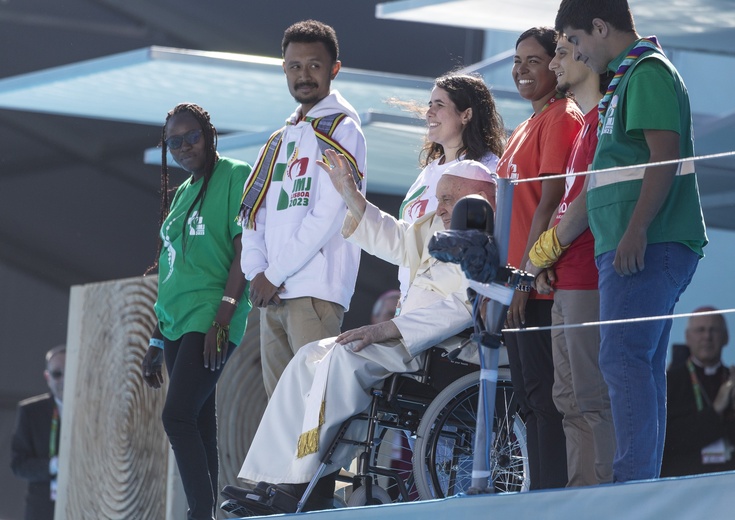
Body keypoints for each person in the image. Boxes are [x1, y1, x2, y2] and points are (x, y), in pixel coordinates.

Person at [229, 158, 497, 515]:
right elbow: (399, 240)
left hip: (436, 348)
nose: (441, 207)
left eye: (449, 199)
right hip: (402, 341)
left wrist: (385, 328)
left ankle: (300, 486)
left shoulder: (494, 233)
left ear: (478, 196)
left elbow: (464, 307)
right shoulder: (440, 224)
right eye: (440, 198)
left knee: (340, 360)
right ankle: (271, 479)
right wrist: (351, 195)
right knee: (308, 357)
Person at [555, 0, 707, 482]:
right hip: (634, 243)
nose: (576, 53)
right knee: (635, 360)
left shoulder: (647, 72)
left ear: (600, 27)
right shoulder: (628, 77)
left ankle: (631, 485)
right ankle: (640, 481)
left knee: (621, 357)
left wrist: (636, 228)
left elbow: (665, 154)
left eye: (575, 41)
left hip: (647, 242)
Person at [238, 20, 367, 398]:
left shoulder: (342, 129)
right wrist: (256, 273)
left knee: (317, 412)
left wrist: (272, 274)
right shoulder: (281, 136)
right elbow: (252, 213)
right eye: (295, 66)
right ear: (284, 69)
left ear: (334, 69)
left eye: (314, 65)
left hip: (314, 290)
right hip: (273, 292)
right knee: (282, 415)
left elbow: (329, 215)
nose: (304, 75)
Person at [140, 103, 252, 520]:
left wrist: (223, 316)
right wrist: (155, 335)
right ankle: (205, 515)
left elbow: (245, 250)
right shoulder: (183, 193)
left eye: (192, 137)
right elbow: (173, 270)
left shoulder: (236, 175)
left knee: (177, 416)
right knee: (199, 423)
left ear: (209, 135)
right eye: (174, 141)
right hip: (174, 321)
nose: (185, 147)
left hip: (211, 316)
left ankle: (199, 515)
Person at [525, 35, 615, 486]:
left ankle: (605, 501)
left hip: (587, 275)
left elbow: (583, 203)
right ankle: (580, 497)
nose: (555, 63)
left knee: (592, 397)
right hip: (564, 276)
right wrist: (545, 261)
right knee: (567, 398)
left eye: (561, 52)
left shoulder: (603, 121)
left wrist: (542, 251)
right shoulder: (582, 126)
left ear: (586, 53)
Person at [495, 26, 584, 490]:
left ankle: (549, 497)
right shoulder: (528, 122)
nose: (521, 69)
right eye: (516, 60)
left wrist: (526, 277)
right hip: (514, 280)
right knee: (528, 400)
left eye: (533, 60)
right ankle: (539, 490)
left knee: (545, 397)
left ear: (555, 64)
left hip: (536, 283)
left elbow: (550, 200)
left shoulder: (560, 117)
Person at [397, 72, 505, 297]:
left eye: (439, 104)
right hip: (411, 297)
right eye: (429, 104)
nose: (429, 112)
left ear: (466, 115)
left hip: (453, 300)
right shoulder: (429, 170)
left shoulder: (488, 169)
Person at [661, 308, 735, 477]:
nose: (707, 337)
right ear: (688, 337)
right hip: (687, 482)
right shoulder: (670, 382)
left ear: (726, 337)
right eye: (700, 330)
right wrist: (715, 410)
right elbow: (671, 439)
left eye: (713, 330)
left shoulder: (731, 379)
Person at [11, 345, 66, 520]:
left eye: (69, 371)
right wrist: (53, 465)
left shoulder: (92, 409)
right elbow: (18, 464)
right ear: (47, 377)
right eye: (58, 374)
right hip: (43, 509)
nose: (64, 379)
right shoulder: (31, 411)